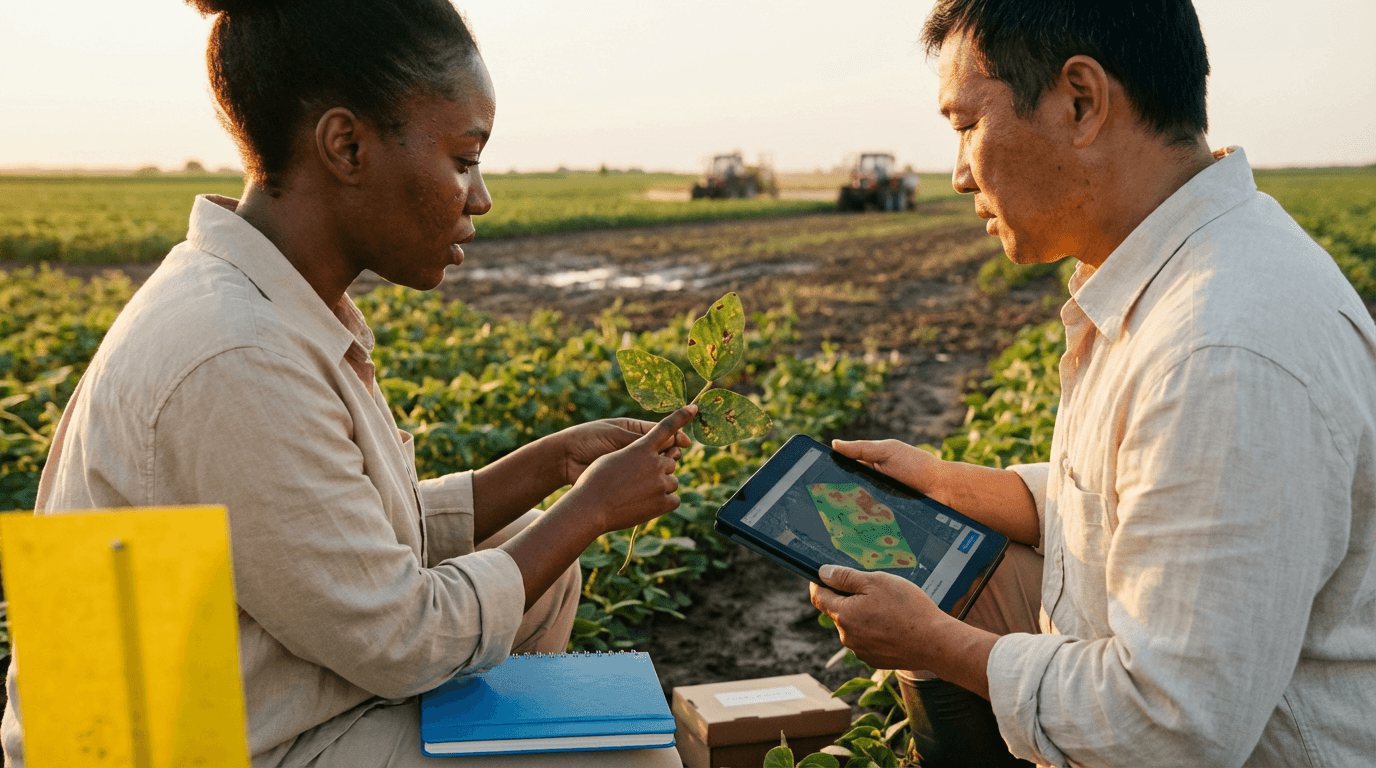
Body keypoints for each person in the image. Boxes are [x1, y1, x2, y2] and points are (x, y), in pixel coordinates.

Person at [1, 1, 692, 766]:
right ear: (346, 146)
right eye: (463, 160)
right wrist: (591, 508)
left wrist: (545, 471)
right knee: (635, 758)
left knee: (538, 573)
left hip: (226, 694)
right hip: (168, 747)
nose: (481, 198)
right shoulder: (235, 353)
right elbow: (403, 637)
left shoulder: (260, 301)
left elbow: (329, 538)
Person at [811, 1, 1376, 766]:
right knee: (944, 566)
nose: (955, 174)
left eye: (966, 125)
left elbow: (1174, 727)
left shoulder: (1222, 349)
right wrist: (949, 484)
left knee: (937, 605)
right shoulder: (1185, 268)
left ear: (1080, 102)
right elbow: (1146, 493)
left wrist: (937, 646)